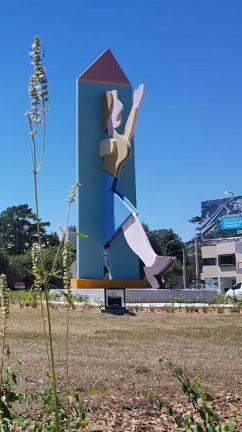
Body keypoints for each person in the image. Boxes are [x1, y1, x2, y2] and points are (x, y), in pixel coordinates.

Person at [99, 84, 174, 289]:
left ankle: (151, 264)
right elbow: (106, 146)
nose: (121, 113)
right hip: (104, 190)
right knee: (128, 218)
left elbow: (128, 133)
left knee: (126, 221)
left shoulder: (119, 140)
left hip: (112, 188)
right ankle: (151, 262)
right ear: (108, 112)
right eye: (118, 110)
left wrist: (136, 106)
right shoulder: (107, 143)